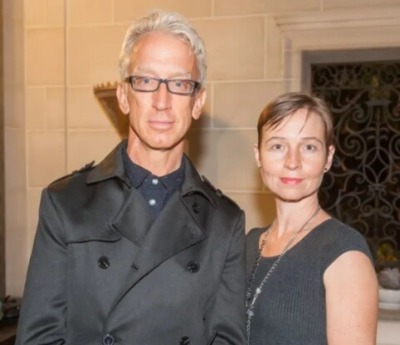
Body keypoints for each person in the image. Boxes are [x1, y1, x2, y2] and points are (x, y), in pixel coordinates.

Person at [16, 10, 246, 345]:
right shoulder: (66, 202)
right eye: (146, 81)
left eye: (180, 84)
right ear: (124, 96)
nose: (162, 101)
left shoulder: (225, 221)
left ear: (198, 102)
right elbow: (39, 337)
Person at [246, 92, 378, 345]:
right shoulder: (248, 244)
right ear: (258, 155)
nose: (292, 162)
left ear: (327, 158)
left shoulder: (343, 253)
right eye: (277, 146)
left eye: (308, 147)